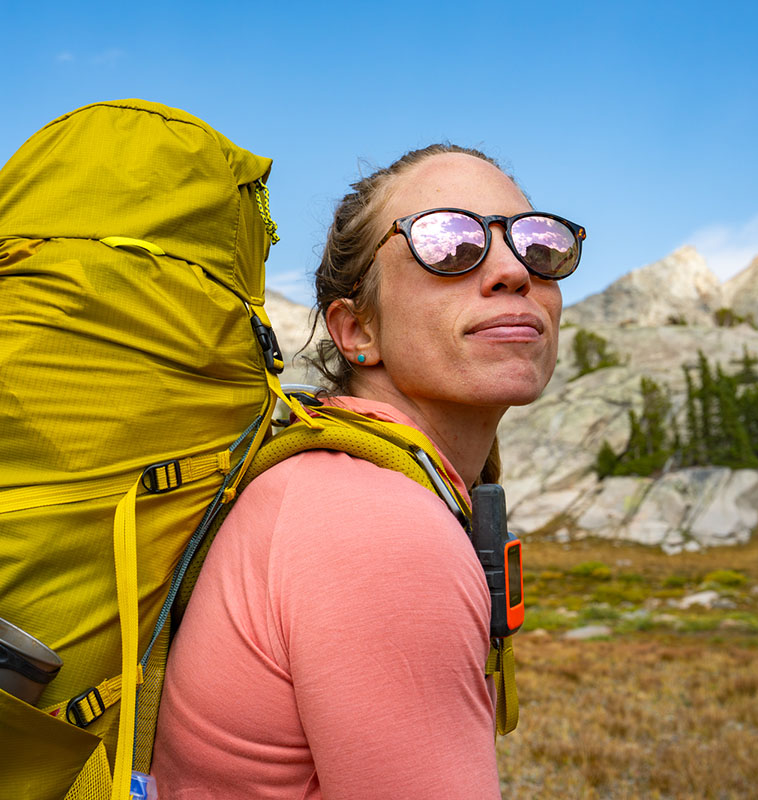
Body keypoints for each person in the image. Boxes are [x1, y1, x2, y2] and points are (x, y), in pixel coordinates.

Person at [151, 144, 584, 798]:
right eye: (448, 242)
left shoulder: (332, 481)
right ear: (357, 331)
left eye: (538, 243)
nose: (511, 272)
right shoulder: (379, 527)